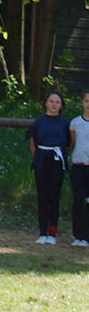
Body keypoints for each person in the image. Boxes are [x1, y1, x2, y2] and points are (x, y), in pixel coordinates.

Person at [26, 89, 70, 245]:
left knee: (54, 196)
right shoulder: (38, 122)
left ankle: (52, 233)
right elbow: (32, 141)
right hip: (42, 160)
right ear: (46, 103)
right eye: (51, 101)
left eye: (57, 102)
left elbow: (69, 144)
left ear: (61, 105)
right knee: (42, 196)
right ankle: (42, 232)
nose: (54, 105)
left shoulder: (65, 123)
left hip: (57, 160)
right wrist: (38, 156)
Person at [68, 90, 89, 247]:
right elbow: (74, 142)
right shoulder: (75, 123)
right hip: (78, 167)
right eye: (87, 101)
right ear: (82, 102)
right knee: (78, 200)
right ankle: (78, 235)